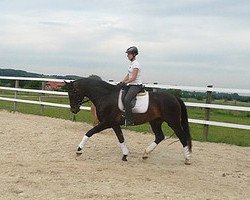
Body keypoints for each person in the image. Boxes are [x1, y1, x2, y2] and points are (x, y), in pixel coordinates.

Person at [120, 46, 143, 126]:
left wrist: (125, 82)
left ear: (134, 54)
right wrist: (122, 81)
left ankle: (130, 120)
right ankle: (124, 113)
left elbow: (133, 78)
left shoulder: (136, 64)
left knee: (127, 100)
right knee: (121, 97)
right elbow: (128, 75)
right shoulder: (131, 64)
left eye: (129, 54)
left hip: (136, 86)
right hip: (130, 85)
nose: (127, 56)